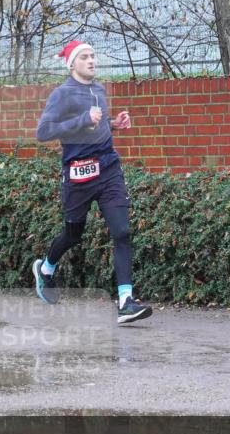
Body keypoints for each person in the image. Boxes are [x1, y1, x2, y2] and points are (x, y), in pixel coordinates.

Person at [32, 41, 152, 324]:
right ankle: (46, 269)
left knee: (121, 232)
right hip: (78, 175)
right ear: (72, 64)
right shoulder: (62, 95)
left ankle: (126, 302)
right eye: (84, 57)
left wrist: (113, 124)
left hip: (108, 169)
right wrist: (83, 119)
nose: (91, 61)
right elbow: (43, 132)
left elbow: (95, 126)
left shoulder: (98, 89)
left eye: (93, 56)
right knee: (73, 234)